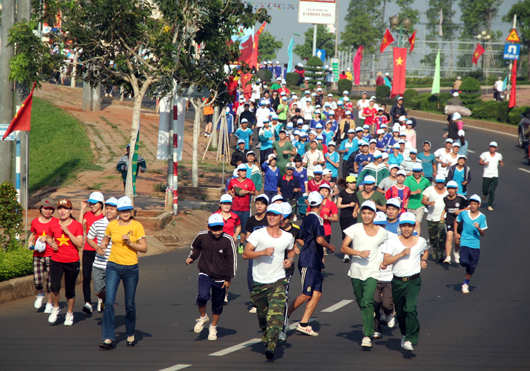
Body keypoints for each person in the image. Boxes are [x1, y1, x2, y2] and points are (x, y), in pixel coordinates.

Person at [243, 203, 295, 360]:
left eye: (275, 215)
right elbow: (246, 254)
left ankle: (271, 344)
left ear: (281, 218)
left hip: (278, 280)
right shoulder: (258, 234)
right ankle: (266, 332)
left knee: (276, 314)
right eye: (269, 214)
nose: (271, 217)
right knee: (263, 315)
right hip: (259, 282)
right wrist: (262, 252)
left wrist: (290, 259)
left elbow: (291, 249)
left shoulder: (287, 236)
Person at [98, 196, 147, 349]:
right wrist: (102, 246)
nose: (125, 213)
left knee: (130, 304)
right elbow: (105, 240)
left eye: (128, 210)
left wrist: (130, 242)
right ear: (118, 211)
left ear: (131, 211)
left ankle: (130, 333)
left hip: (131, 268)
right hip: (113, 266)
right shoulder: (112, 226)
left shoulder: (137, 225)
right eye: (122, 210)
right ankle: (108, 337)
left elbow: (144, 248)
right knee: (109, 302)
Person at [341, 200, 388, 348]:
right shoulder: (355, 228)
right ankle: (371, 315)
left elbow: (390, 247)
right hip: (356, 271)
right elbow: (343, 248)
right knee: (361, 301)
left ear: (374, 214)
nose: (366, 216)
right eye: (364, 213)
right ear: (361, 214)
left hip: (373, 271)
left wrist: (385, 261)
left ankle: (367, 335)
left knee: (367, 302)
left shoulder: (383, 233)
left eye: (370, 213)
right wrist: (358, 253)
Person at [288, 192, 335, 337]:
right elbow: (320, 240)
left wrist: (312, 249)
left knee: (317, 293)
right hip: (309, 261)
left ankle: (303, 323)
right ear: (321, 204)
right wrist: (329, 246)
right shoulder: (318, 220)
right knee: (307, 294)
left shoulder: (307, 218)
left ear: (309, 204)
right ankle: (284, 314)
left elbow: (301, 238)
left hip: (314, 260)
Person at [382, 212, 428, 351]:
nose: (406, 229)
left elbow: (424, 251)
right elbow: (386, 261)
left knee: (411, 308)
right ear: (400, 227)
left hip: (413, 281)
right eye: (404, 226)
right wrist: (401, 254)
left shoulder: (420, 241)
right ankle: (404, 334)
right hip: (397, 282)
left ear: (414, 227)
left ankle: (411, 338)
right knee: (401, 312)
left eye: (409, 226)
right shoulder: (392, 242)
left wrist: (424, 260)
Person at [187, 213, 236, 341]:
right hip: (205, 273)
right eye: (214, 229)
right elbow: (196, 247)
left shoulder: (227, 240)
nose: (217, 232)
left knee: (217, 304)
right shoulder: (202, 236)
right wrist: (192, 257)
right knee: (202, 296)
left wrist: (228, 278)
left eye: (220, 228)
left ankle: (213, 327)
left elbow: (231, 260)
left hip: (221, 277)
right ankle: (203, 317)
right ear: (209, 227)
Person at [46, 198, 83, 326]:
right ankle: (56, 308)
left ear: (71, 210)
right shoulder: (53, 223)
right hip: (56, 260)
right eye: (60, 208)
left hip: (72, 261)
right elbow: (48, 236)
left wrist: (68, 232)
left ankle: (69, 313)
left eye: (65, 208)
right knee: (54, 287)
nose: (62, 211)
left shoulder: (77, 225)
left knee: (69, 290)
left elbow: (80, 243)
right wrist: (51, 243)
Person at [86, 197, 118, 314]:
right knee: (98, 291)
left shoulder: (121, 224)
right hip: (99, 263)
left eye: (112, 209)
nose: (109, 211)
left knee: (111, 291)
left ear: (117, 210)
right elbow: (89, 238)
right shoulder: (98, 223)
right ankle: (105, 299)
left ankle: (109, 306)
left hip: (114, 264)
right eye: (107, 208)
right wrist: (96, 247)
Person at [29, 198, 57, 313]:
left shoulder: (55, 222)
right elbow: (32, 234)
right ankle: (40, 293)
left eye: (50, 209)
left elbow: (58, 237)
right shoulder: (35, 221)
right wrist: (30, 242)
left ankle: (50, 303)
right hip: (38, 254)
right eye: (46, 208)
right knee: (38, 281)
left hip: (51, 254)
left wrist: (51, 241)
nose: (48, 211)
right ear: (41, 209)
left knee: (50, 282)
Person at [456, 195, 488, 294]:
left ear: (479, 205)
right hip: (465, 241)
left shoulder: (482, 217)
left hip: (475, 245)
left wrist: (479, 228)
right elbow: (457, 221)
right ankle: (461, 256)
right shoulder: (464, 214)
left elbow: (482, 234)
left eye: (475, 204)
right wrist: (455, 232)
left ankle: (465, 284)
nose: (473, 206)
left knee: (471, 267)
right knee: (464, 262)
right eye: (471, 203)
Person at [245, 194, 270, 313]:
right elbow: (248, 235)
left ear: (267, 206)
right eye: (258, 203)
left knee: (268, 276)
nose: (259, 206)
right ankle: (256, 302)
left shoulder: (269, 219)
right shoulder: (251, 220)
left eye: (262, 204)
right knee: (252, 277)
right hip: (254, 253)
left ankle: (267, 300)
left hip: (268, 253)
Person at [372, 212, 396, 339]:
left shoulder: (393, 238)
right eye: (377, 225)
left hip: (389, 277)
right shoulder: (369, 238)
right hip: (374, 276)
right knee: (375, 304)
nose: (379, 227)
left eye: (381, 225)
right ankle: (377, 329)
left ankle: (389, 312)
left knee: (386, 304)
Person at [227, 164, 257, 250]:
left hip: (245, 208)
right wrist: (231, 193)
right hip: (234, 208)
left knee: (244, 228)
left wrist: (247, 192)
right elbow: (229, 189)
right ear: (238, 172)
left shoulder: (249, 181)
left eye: (245, 171)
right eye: (242, 171)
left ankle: (241, 244)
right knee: (233, 227)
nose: (244, 172)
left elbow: (253, 191)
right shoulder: (233, 181)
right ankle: (233, 244)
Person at [421, 176, 448, 261]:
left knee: (442, 237)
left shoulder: (448, 190)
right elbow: (423, 200)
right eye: (438, 182)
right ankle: (435, 249)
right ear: (436, 182)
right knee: (433, 238)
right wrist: (429, 203)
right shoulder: (429, 189)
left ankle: (441, 254)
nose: (440, 184)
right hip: (431, 217)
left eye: (442, 182)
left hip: (443, 218)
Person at [443, 181, 468, 265]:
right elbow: (446, 207)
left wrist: (460, 211)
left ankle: (456, 252)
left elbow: (469, 207)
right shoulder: (445, 199)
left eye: (453, 188)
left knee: (457, 240)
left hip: (459, 222)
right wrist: (442, 215)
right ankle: (448, 257)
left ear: (456, 189)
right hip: (449, 221)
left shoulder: (461, 198)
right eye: (449, 188)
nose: (451, 190)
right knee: (449, 237)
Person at [404, 164, 432, 235]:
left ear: (421, 171)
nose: (417, 173)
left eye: (418, 172)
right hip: (409, 205)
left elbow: (430, 190)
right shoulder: (408, 179)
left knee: (417, 223)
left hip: (420, 205)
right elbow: (404, 192)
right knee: (410, 224)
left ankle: (417, 240)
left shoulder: (425, 180)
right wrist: (414, 192)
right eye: (415, 171)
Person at [479, 141, 503, 211]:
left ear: (496, 148)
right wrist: (484, 163)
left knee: (492, 191)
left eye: (494, 147)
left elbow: (500, 160)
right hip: (486, 175)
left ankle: (489, 205)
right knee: (485, 190)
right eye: (491, 147)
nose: (492, 148)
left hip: (494, 175)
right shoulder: (485, 154)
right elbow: (480, 162)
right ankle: (485, 194)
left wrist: (501, 163)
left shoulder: (499, 155)